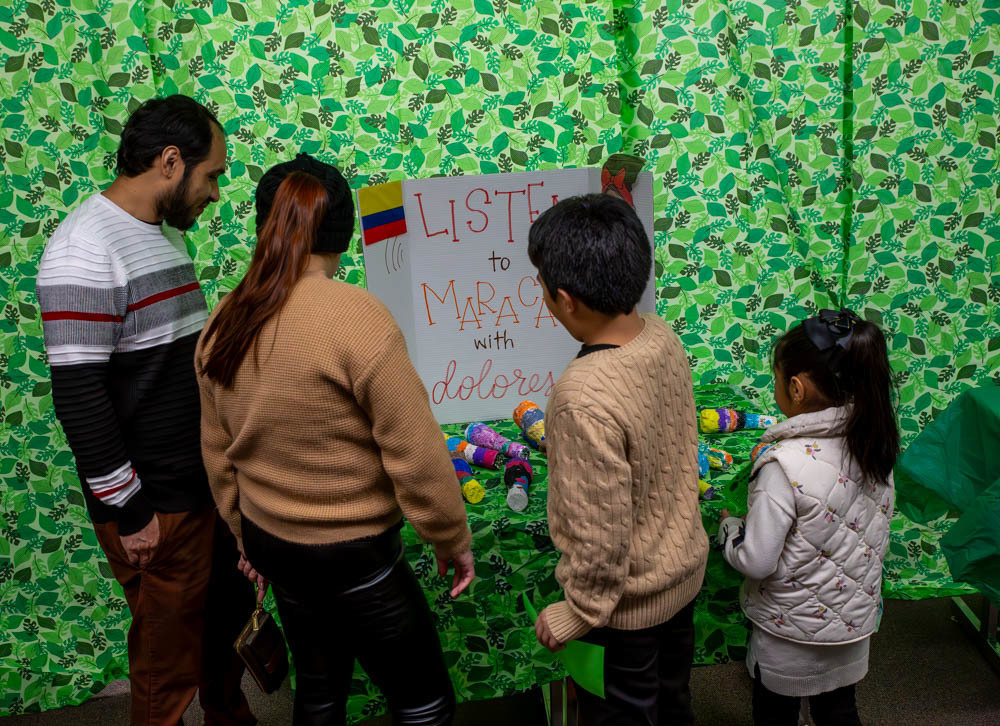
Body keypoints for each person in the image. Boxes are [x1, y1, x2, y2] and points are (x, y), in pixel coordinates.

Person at [194, 155, 475, 726]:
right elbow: (416, 453)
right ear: (342, 232)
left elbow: (217, 455)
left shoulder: (223, 320)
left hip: (277, 547)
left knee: (320, 690)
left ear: (264, 226)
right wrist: (449, 536)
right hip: (356, 555)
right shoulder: (359, 318)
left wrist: (244, 536)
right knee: (423, 705)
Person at [35, 95, 255, 725]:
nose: (215, 192)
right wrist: (130, 512)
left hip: (199, 486)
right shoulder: (83, 249)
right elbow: (80, 398)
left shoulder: (157, 239)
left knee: (221, 636)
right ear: (169, 162)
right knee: (167, 670)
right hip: (155, 503)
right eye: (211, 174)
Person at [528, 193, 709, 726]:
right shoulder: (661, 336)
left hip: (625, 612)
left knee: (623, 715)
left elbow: (600, 534)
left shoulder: (581, 395)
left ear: (564, 300)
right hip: (679, 579)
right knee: (673, 702)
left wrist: (577, 612)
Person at [717, 309, 899, 726]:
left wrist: (730, 529)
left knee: (776, 715)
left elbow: (758, 560)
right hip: (852, 625)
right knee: (838, 710)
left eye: (776, 376)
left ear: (795, 388)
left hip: (789, 637)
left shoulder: (783, 465)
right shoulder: (876, 444)